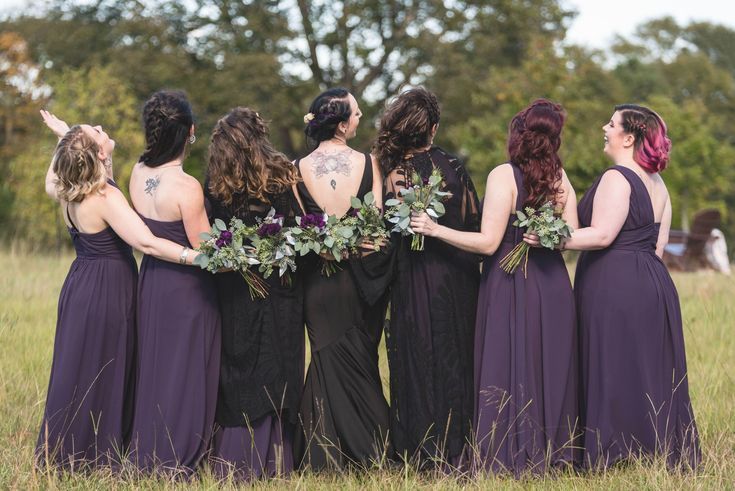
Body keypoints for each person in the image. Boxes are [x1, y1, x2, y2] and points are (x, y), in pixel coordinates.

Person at [411, 99, 580, 474]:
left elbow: (488, 243)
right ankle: (553, 450)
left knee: (510, 362)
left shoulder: (503, 175)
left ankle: (508, 449)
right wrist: (546, 237)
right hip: (552, 283)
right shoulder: (561, 177)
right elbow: (570, 235)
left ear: (518, 135)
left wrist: (435, 229)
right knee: (547, 363)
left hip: (509, 280)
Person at [527, 104, 700, 469]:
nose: (604, 127)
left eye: (611, 123)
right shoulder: (658, 183)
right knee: (645, 368)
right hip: (653, 281)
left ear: (628, 137)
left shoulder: (618, 177)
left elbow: (603, 234)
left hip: (615, 284)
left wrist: (549, 239)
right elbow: (658, 244)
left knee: (613, 365)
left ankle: (614, 454)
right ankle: (653, 450)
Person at [36, 111, 200, 470]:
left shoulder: (66, 187)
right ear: (98, 155)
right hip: (108, 289)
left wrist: (65, 136)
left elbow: (56, 171)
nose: (100, 126)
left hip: (80, 283)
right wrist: (200, 258)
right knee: (105, 365)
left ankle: (67, 450)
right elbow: (148, 243)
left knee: (80, 365)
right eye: (95, 131)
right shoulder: (103, 196)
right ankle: (94, 456)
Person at [376, 87, 480, 468]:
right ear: (433, 129)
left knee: (418, 357)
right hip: (457, 276)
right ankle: (460, 445)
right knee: (456, 356)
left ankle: (422, 449)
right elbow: (475, 223)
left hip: (415, 278)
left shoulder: (394, 175)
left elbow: (390, 231)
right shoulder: (453, 167)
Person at [292, 88, 391, 470]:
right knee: (362, 360)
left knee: (326, 358)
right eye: (357, 113)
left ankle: (323, 454)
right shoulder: (370, 163)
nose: (361, 118)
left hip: (318, 281)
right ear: (341, 122)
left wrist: (326, 246)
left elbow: (301, 231)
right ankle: (371, 448)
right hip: (359, 279)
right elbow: (378, 227)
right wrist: (354, 245)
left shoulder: (296, 168)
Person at [204, 107, 304, 480]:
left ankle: (235, 460)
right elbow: (293, 229)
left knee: (240, 364)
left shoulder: (214, 182)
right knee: (275, 365)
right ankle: (274, 460)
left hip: (236, 284)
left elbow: (209, 235)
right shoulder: (282, 173)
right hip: (277, 285)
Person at [127, 90, 221, 474]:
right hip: (187, 287)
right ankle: (179, 450)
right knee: (187, 368)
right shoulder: (187, 187)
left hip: (152, 281)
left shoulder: (137, 172)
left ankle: (149, 446)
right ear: (190, 133)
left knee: (157, 364)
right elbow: (207, 251)